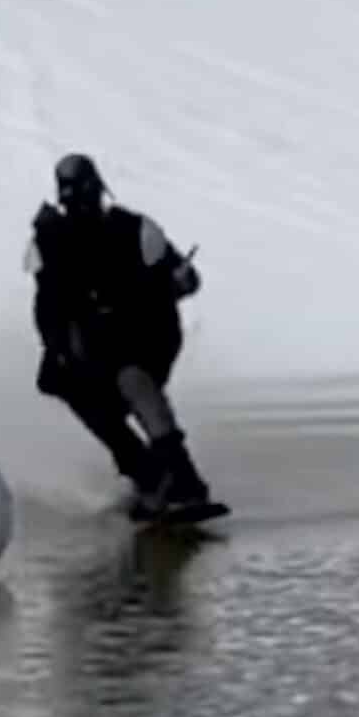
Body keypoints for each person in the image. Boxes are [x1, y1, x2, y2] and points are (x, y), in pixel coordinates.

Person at [25, 154, 215, 518]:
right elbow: (46, 304)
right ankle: (149, 475)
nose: (80, 204)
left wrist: (180, 281)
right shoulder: (50, 240)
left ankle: (183, 479)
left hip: (144, 335)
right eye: (72, 196)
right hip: (87, 349)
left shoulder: (132, 229)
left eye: (83, 193)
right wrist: (59, 345)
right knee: (79, 391)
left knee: (134, 379)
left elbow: (182, 276)